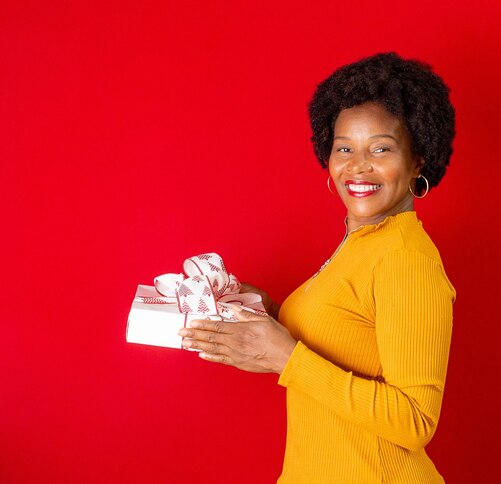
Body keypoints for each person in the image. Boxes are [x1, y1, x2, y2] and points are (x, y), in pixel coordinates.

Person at [178, 52, 456, 483]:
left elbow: (415, 421)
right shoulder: (361, 242)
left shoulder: (405, 258)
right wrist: (258, 310)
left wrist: (283, 356)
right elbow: (345, 335)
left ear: (417, 159)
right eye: (344, 147)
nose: (357, 165)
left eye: (380, 148)